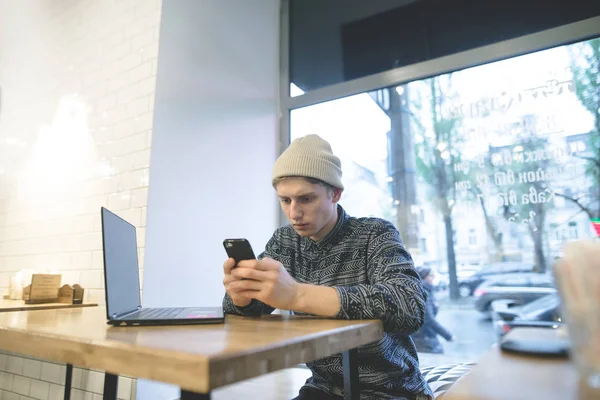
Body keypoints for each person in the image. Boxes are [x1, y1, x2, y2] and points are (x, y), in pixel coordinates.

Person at [222, 134, 433, 400]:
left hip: (391, 389)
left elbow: (410, 307)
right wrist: (240, 299)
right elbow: (247, 311)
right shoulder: (285, 242)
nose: (294, 213)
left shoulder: (375, 233)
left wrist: (297, 295)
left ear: (335, 193)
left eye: (306, 199)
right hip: (324, 387)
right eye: (285, 200)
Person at [410, 267, 455, 354]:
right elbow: (428, 319)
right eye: (431, 276)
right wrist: (448, 335)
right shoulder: (423, 291)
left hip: (424, 335)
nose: (433, 278)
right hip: (424, 337)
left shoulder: (425, 290)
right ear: (422, 277)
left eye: (434, 276)